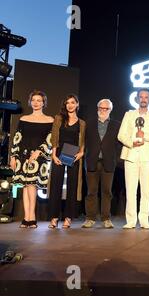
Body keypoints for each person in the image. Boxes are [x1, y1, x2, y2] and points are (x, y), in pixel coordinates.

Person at [118, 88, 149, 229]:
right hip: (131, 155)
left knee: (146, 190)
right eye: (141, 97)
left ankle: (144, 219)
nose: (143, 99)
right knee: (131, 190)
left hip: (148, 158)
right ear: (137, 99)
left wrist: (145, 136)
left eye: (146, 97)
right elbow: (121, 135)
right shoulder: (129, 114)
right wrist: (132, 142)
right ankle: (130, 220)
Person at [10, 90, 54, 228]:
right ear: (30, 102)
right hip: (22, 156)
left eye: (39, 100)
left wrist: (38, 152)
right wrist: (13, 157)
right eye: (33, 100)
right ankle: (26, 217)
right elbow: (17, 139)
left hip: (38, 158)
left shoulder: (50, 120)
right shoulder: (24, 119)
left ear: (43, 103)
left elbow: (50, 139)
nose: (36, 102)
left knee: (32, 186)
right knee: (25, 186)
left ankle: (32, 217)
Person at [82, 99, 121, 229]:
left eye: (106, 108)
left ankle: (106, 218)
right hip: (92, 160)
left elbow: (119, 144)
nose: (103, 110)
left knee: (107, 191)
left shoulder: (117, 124)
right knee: (91, 191)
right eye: (101, 108)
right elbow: (83, 141)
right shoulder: (89, 123)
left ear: (111, 110)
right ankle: (90, 218)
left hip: (108, 162)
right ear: (97, 108)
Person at [48, 94, 86, 229]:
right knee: (56, 185)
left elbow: (82, 141)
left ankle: (68, 217)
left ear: (77, 104)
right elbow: (54, 138)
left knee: (72, 185)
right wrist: (53, 155)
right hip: (59, 153)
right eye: (67, 103)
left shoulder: (82, 123)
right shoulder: (59, 118)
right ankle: (53, 217)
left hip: (73, 154)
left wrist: (81, 153)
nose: (70, 105)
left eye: (72, 102)